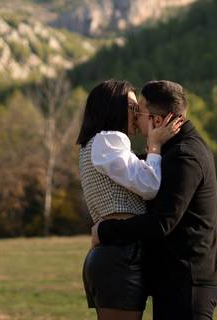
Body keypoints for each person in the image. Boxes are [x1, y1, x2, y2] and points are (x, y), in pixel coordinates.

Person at [93, 80, 217, 320]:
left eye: (138, 111)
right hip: (175, 281)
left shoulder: (186, 156)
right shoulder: (172, 151)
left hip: (188, 284)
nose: (134, 117)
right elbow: (135, 168)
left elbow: (161, 223)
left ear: (157, 121)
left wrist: (104, 231)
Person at [78, 80, 184, 320]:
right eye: (133, 107)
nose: (139, 114)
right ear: (113, 108)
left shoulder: (92, 144)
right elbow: (149, 186)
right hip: (120, 256)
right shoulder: (110, 139)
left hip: (114, 254)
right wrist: (155, 147)